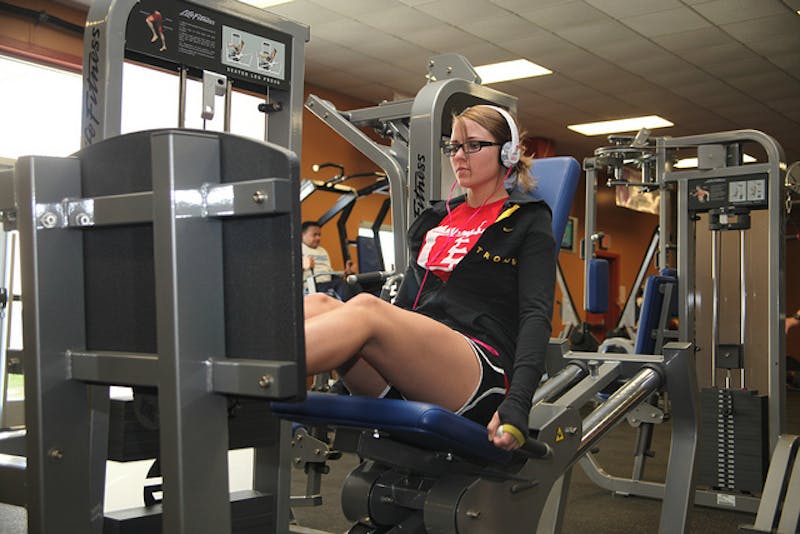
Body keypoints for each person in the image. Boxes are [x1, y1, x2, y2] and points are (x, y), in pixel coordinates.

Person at [302, 105, 555, 451]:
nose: (459, 156)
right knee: (317, 303)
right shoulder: (437, 219)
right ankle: (232, 362)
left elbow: (536, 316)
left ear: (507, 152)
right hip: (413, 367)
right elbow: (406, 303)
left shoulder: (527, 220)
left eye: (473, 146)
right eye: (454, 147)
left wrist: (519, 402)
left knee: (365, 308)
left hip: (479, 369)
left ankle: (251, 378)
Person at [301, 221, 355, 298]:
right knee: (341, 285)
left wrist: (345, 273)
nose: (318, 238)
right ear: (303, 235)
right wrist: (303, 267)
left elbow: (329, 273)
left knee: (353, 283)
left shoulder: (323, 251)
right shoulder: (298, 250)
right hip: (311, 286)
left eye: (319, 235)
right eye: (314, 235)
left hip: (328, 283)